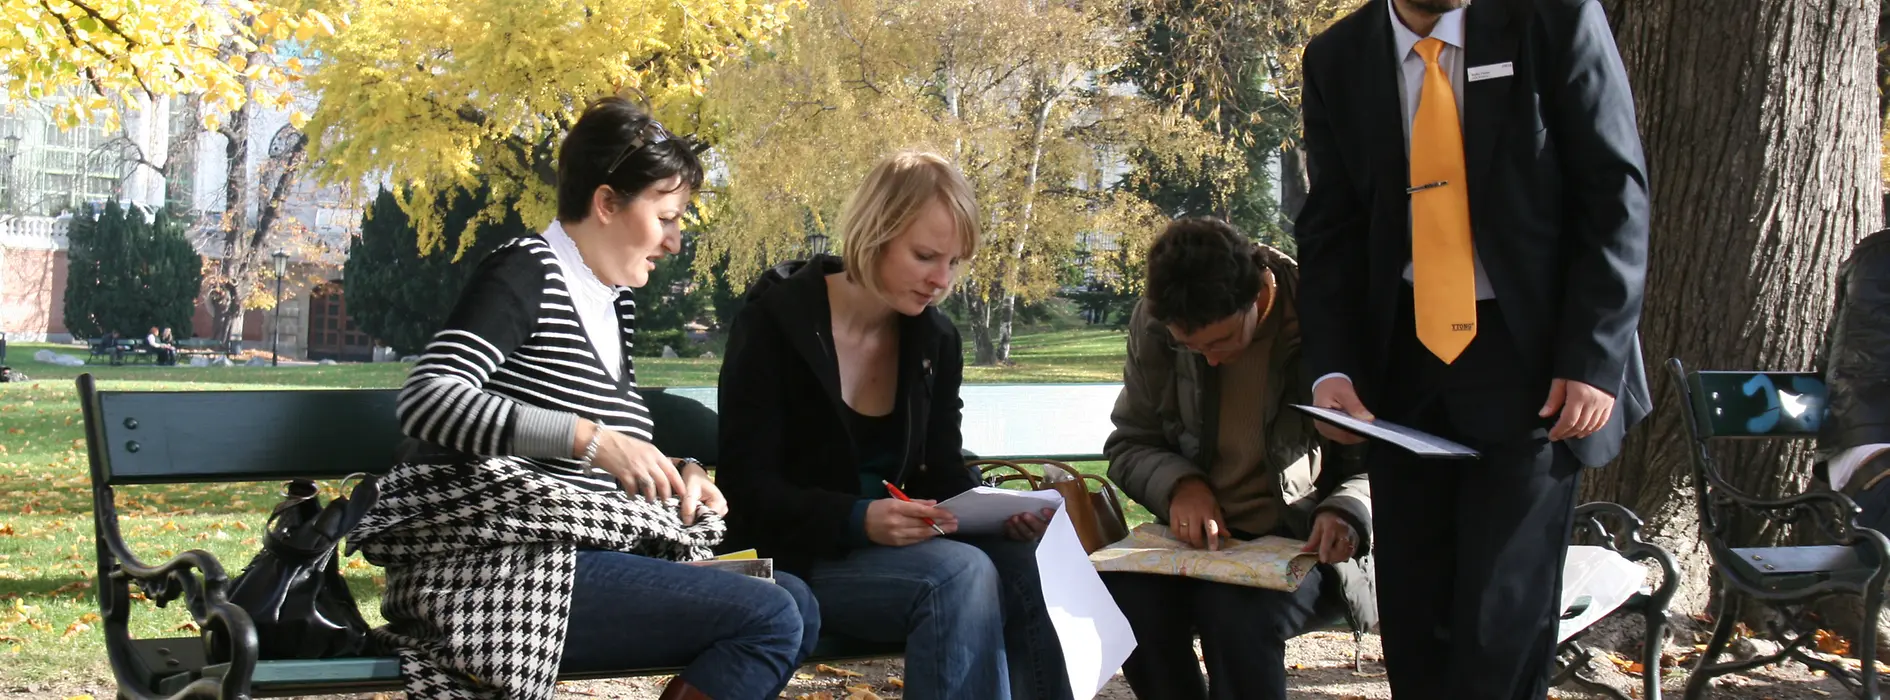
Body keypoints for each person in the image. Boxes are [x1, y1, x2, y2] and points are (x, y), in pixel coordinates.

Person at [347, 97, 818, 700]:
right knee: (771, 614)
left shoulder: (608, 299)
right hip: (498, 574)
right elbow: (429, 399)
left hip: (571, 560)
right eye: (667, 216)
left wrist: (680, 474)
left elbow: (604, 447)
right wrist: (590, 439)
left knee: (797, 601)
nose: (675, 241)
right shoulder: (525, 272)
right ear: (606, 203)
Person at [1295, 0, 1653, 698]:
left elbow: (1616, 193)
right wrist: (1333, 367)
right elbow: (1330, 228)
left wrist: (1591, 356)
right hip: (1401, 373)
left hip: (1533, 369)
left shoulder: (1554, 20)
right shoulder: (1337, 58)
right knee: (1415, 615)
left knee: (1501, 617)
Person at [715, 150, 1071, 700]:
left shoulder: (934, 340)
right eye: (926, 256)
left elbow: (941, 474)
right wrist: (858, 520)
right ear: (874, 234)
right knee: (961, 575)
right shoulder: (774, 324)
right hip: (793, 561)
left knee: (1025, 562)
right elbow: (747, 491)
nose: (941, 280)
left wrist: (998, 515)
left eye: (955, 262)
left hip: (902, 557)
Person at [1100, 217, 1375, 700]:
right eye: (1190, 347)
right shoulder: (1155, 322)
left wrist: (1346, 509)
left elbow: (1383, 459)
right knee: (1122, 599)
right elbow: (1130, 442)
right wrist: (1180, 485)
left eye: (1219, 342)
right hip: (1201, 550)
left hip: (1309, 549)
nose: (1207, 359)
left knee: (1236, 614)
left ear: (1257, 297)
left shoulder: (1325, 320)